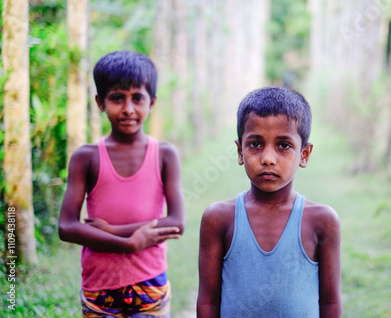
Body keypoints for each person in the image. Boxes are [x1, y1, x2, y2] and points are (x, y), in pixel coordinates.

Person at [59, 50, 185, 318]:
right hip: (100, 285)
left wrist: (115, 231)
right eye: (117, 98)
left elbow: (176, 222)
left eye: (137, 98)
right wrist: (129, 244)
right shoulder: (86, 157)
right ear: (100, 102)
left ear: (152, 103)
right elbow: (66, 227)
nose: (128, 109)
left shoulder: (164, 154)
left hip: (150, 283)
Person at [197, 87, 342, 317]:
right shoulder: (218, 218)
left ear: (304, 154)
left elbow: (330, 303)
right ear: (240, 151)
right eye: (255, 144)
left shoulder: (322, 221)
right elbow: (208, 301)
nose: (267, 159)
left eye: (283, 145)